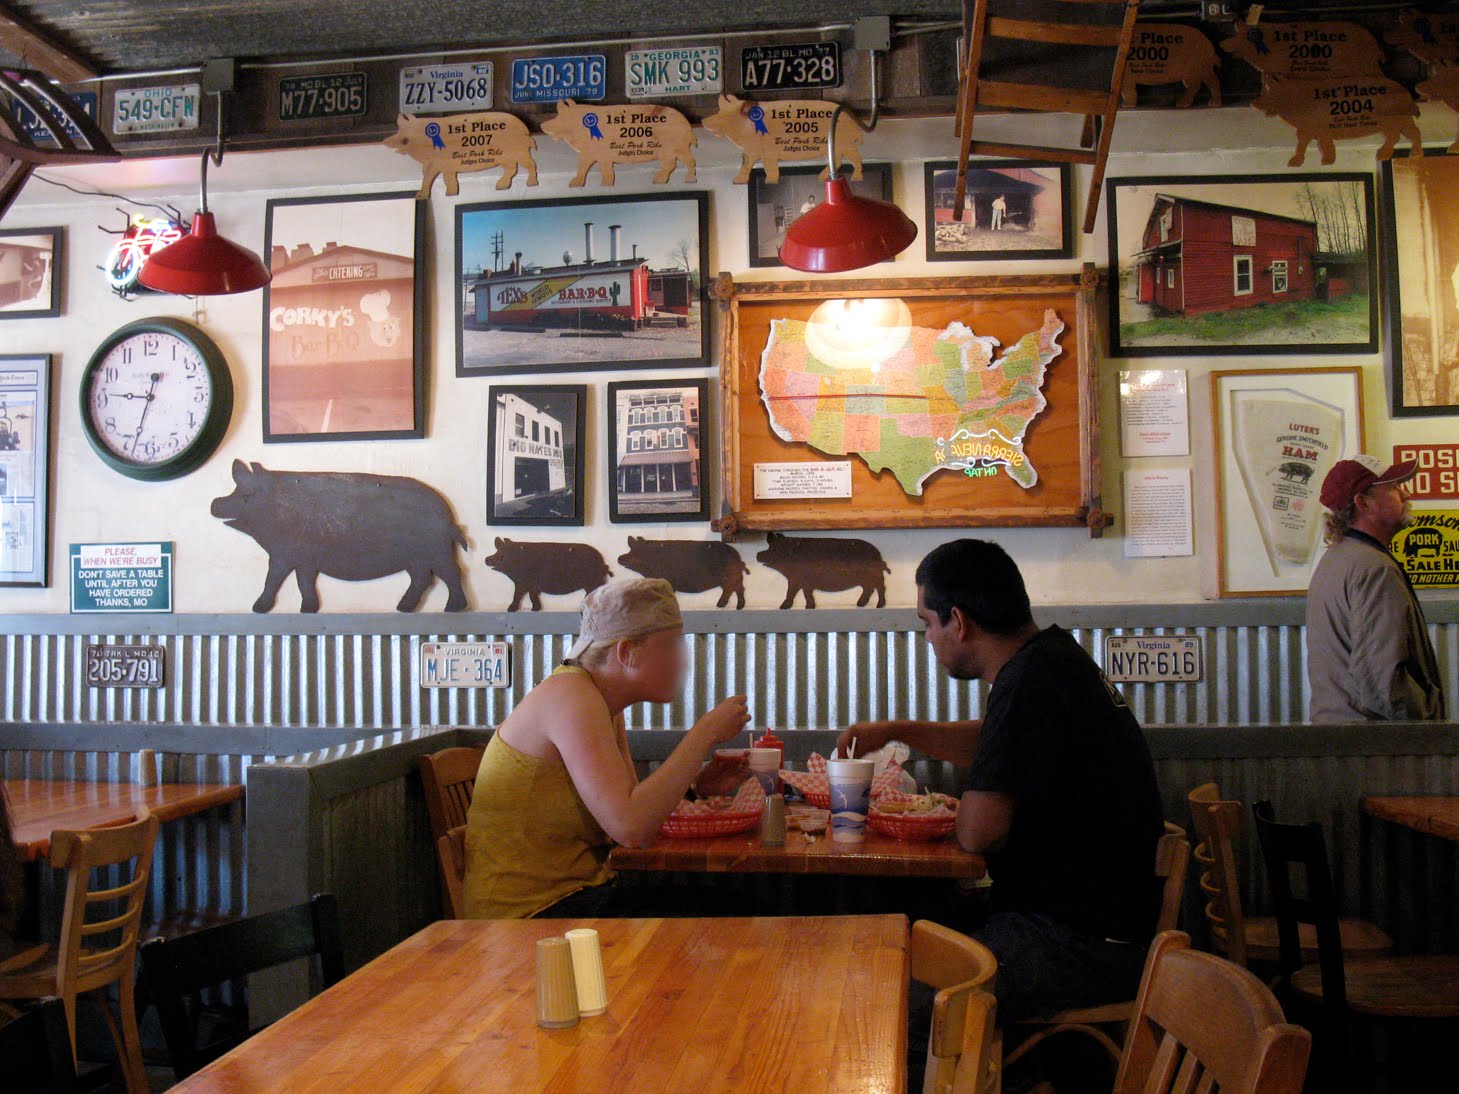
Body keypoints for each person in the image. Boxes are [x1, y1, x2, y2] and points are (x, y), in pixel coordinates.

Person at [837, 539, 1164, 1025]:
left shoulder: (1029, 683)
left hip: (1077, 946)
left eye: (928, 623)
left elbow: (978, 833)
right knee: (903, 922)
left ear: (960, 622)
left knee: (881, 995)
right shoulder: (1051, 659)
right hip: (1099, 926)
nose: (928, 638)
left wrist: (948, 808)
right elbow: (998, 745)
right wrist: (897, 731)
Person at [462, 578, 750, 919]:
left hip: (576, 896)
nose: (683, 662)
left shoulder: (597, 701)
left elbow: (632, 820)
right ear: (626, 652)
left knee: (737, 907)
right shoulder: (572, 698)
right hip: (525, 918)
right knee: (741, 912)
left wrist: (695, 788)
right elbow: (631, 829)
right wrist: (703, 734)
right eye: (670, 645)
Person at [1305, 455, 1445, 722]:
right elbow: (1383, 682)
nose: (1405, 494)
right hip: (1377, 748)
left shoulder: (1337, 559)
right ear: (1364, 503)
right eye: (1394, 488)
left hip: (1343, 740)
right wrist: (1428, 719)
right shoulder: (1374, 568)